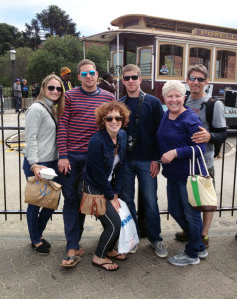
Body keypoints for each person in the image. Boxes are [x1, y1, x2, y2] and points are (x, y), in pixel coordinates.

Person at [57, 59, 115, 267]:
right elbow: (62, 125)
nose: (88, 77)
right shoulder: (70, 96)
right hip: (71, 158)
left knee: (94, 200)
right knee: (71, 200)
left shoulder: (108, 97)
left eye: (91, 73)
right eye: (84, 74)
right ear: (79, 76)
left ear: (97, 74)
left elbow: (113, 125)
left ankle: (110, 241)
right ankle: (72, 246)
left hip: (94, 160)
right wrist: (63, 155)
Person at [175, 64, 227, 248]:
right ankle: (190, 229)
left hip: (204, 162)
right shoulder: (184, 100)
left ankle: (203, 234)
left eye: (200, 79)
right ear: (187, 81)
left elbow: (222, 134)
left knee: (206, 200)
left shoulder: (214, 104)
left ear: (206, 82)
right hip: (184, 162)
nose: (196, 82)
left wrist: (209, 136)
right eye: (192, 78)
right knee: (187, 199)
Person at [157, 80, 208, 266]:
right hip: (173, 175)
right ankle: (199, 245)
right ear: (164, 98)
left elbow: (200, 148)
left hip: (189, 176)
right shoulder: (166, 115)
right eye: (170, 96)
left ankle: (192, 253)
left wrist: (176, 152)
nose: (174, 100)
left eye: (177, 96)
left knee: (191, 214)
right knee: (176, 211)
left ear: (183, 97)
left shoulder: (190, 119)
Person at [119, 64, 167, 258]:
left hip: (148, 161)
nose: (131, 81)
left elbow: (160, 133)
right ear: (123, 81)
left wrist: (157, 159)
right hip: (126, 162)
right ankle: (133, 238)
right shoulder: (120, 103)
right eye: (127, 78)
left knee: (150, 201)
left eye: (134, 77)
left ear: (140, 79)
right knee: (127, 201)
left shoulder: (154, 103)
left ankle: (156, 239)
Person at [83, 101, 130, 271]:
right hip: (94, 186)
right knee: (114, 224)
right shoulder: (97, 141)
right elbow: (98, 174)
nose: (114, 121)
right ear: (103, 120)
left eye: (118, 117)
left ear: (122, 119)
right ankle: (99, 256)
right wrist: (110, 197)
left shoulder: (122, 135)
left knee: (116, 219)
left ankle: (109, 250)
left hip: (108, 186)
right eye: (109, 118)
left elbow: (122, 166)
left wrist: (116, 192)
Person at [23, 74, 65, 254]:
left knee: (50, 201)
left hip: (52, 162)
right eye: (51, 88)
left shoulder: (52, 109)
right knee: (36, 202)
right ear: (43, 88)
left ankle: (38, 234)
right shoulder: (36, 109)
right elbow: (30, 139)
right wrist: (34, 164)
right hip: (39, 163)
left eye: (58, 88)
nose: (55, 91)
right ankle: (35, 238)